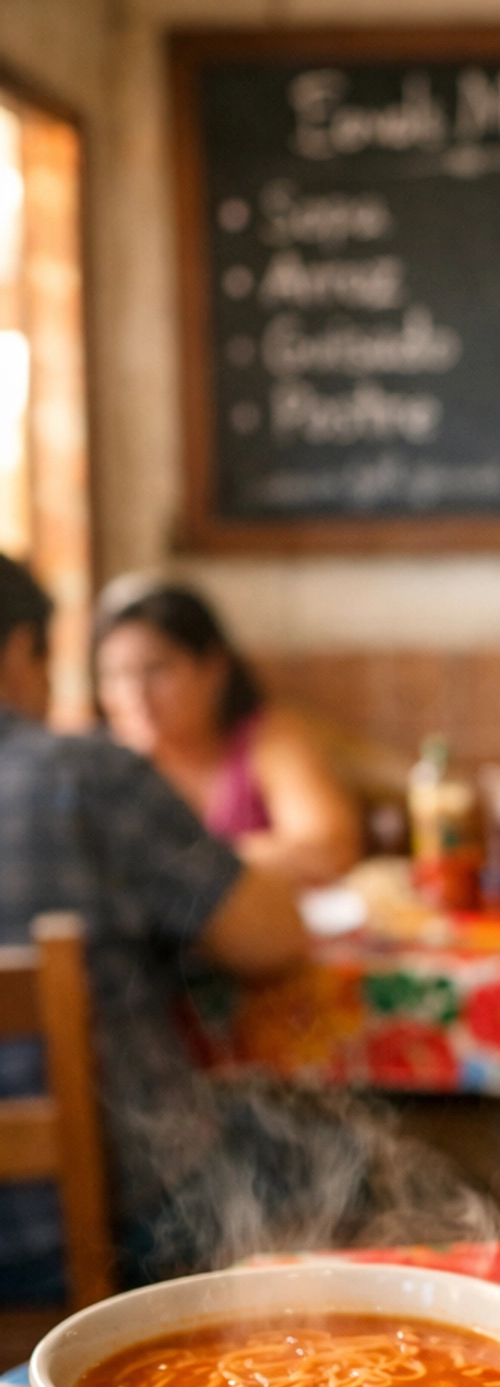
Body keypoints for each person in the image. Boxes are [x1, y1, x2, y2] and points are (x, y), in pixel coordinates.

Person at [0, 554, 307, 1295]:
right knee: (341, 1160)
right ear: (18, 655)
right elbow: (273, 940)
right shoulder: (87, 774)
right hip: (101, 1233)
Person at [94, 578, 361, 887]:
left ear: (214, 668)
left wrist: (178, 862)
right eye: (115, 675)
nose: (134, 696)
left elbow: (327, 851)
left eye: (156, 669)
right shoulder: (96, 764)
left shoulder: (268, 740)